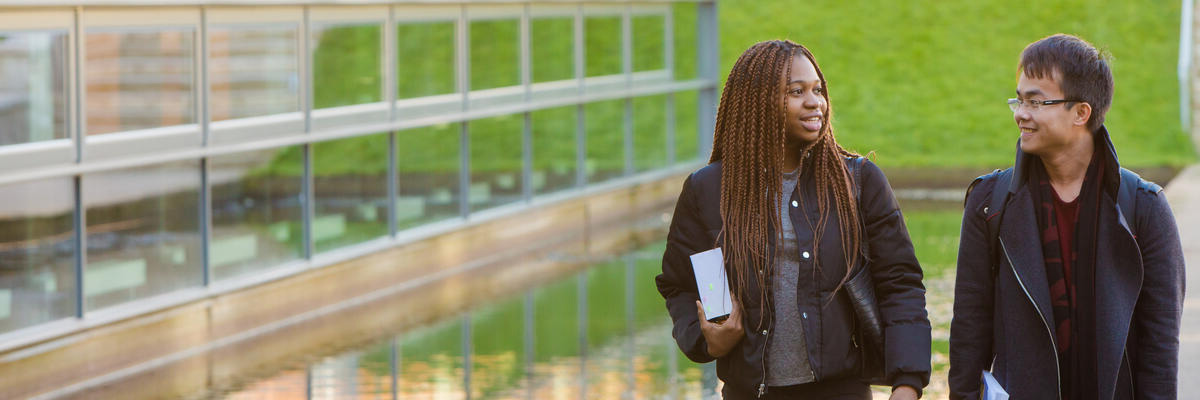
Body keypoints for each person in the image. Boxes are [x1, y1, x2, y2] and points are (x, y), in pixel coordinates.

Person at [655, 40, 931, 400]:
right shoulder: (708, 190)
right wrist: (707, 337)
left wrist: (907, 383)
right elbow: (680, 284)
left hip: (841, 391)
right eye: (796, 92)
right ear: (757, 103)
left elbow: (901, 284)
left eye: (818, 90)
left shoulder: (859, 181)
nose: (815, 101)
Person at [948, 33, 1186, 400]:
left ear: (1081, 112)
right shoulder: (990, 202)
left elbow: (1160, 348)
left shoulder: (1144, 208)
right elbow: (969, 333)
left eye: (1036, 101)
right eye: (1018, 99)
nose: (1020, 113)